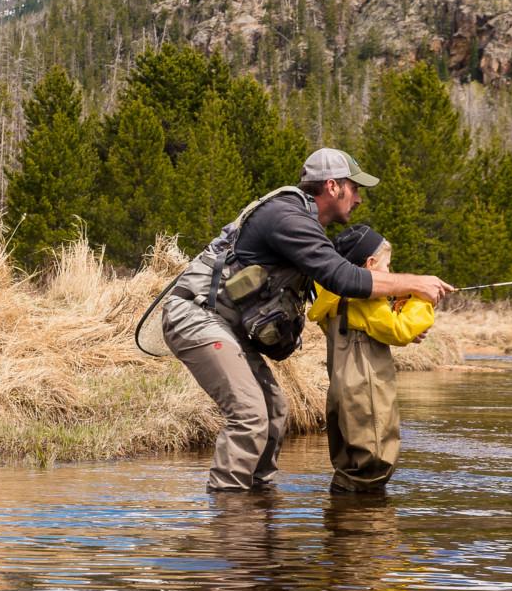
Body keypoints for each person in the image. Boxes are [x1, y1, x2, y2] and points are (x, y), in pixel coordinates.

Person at [161, 148, 455, 493]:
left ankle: (260, 503)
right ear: (332, 186)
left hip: (227, 325)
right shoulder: (288, 218)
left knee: (274, 411)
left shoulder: (306, 227)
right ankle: (231, 518)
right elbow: (342, 278)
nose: (359, 199)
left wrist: (393, 315)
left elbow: (332, 296)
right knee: (250, 414)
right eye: (354, 188)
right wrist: (416, 282)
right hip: (197, 317)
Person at [308, 227, 434, 494]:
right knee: (374, 461)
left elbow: (376, 325)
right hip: (365, 383)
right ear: (370, 265)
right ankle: (365, 531)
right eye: (387, 267)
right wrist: (421, 301)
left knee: (351, 462)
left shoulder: (335, 296)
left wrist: (397, 303)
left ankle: (343, 520)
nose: (390, 273)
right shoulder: (366, 300)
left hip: (344, 387)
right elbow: (399, 331)